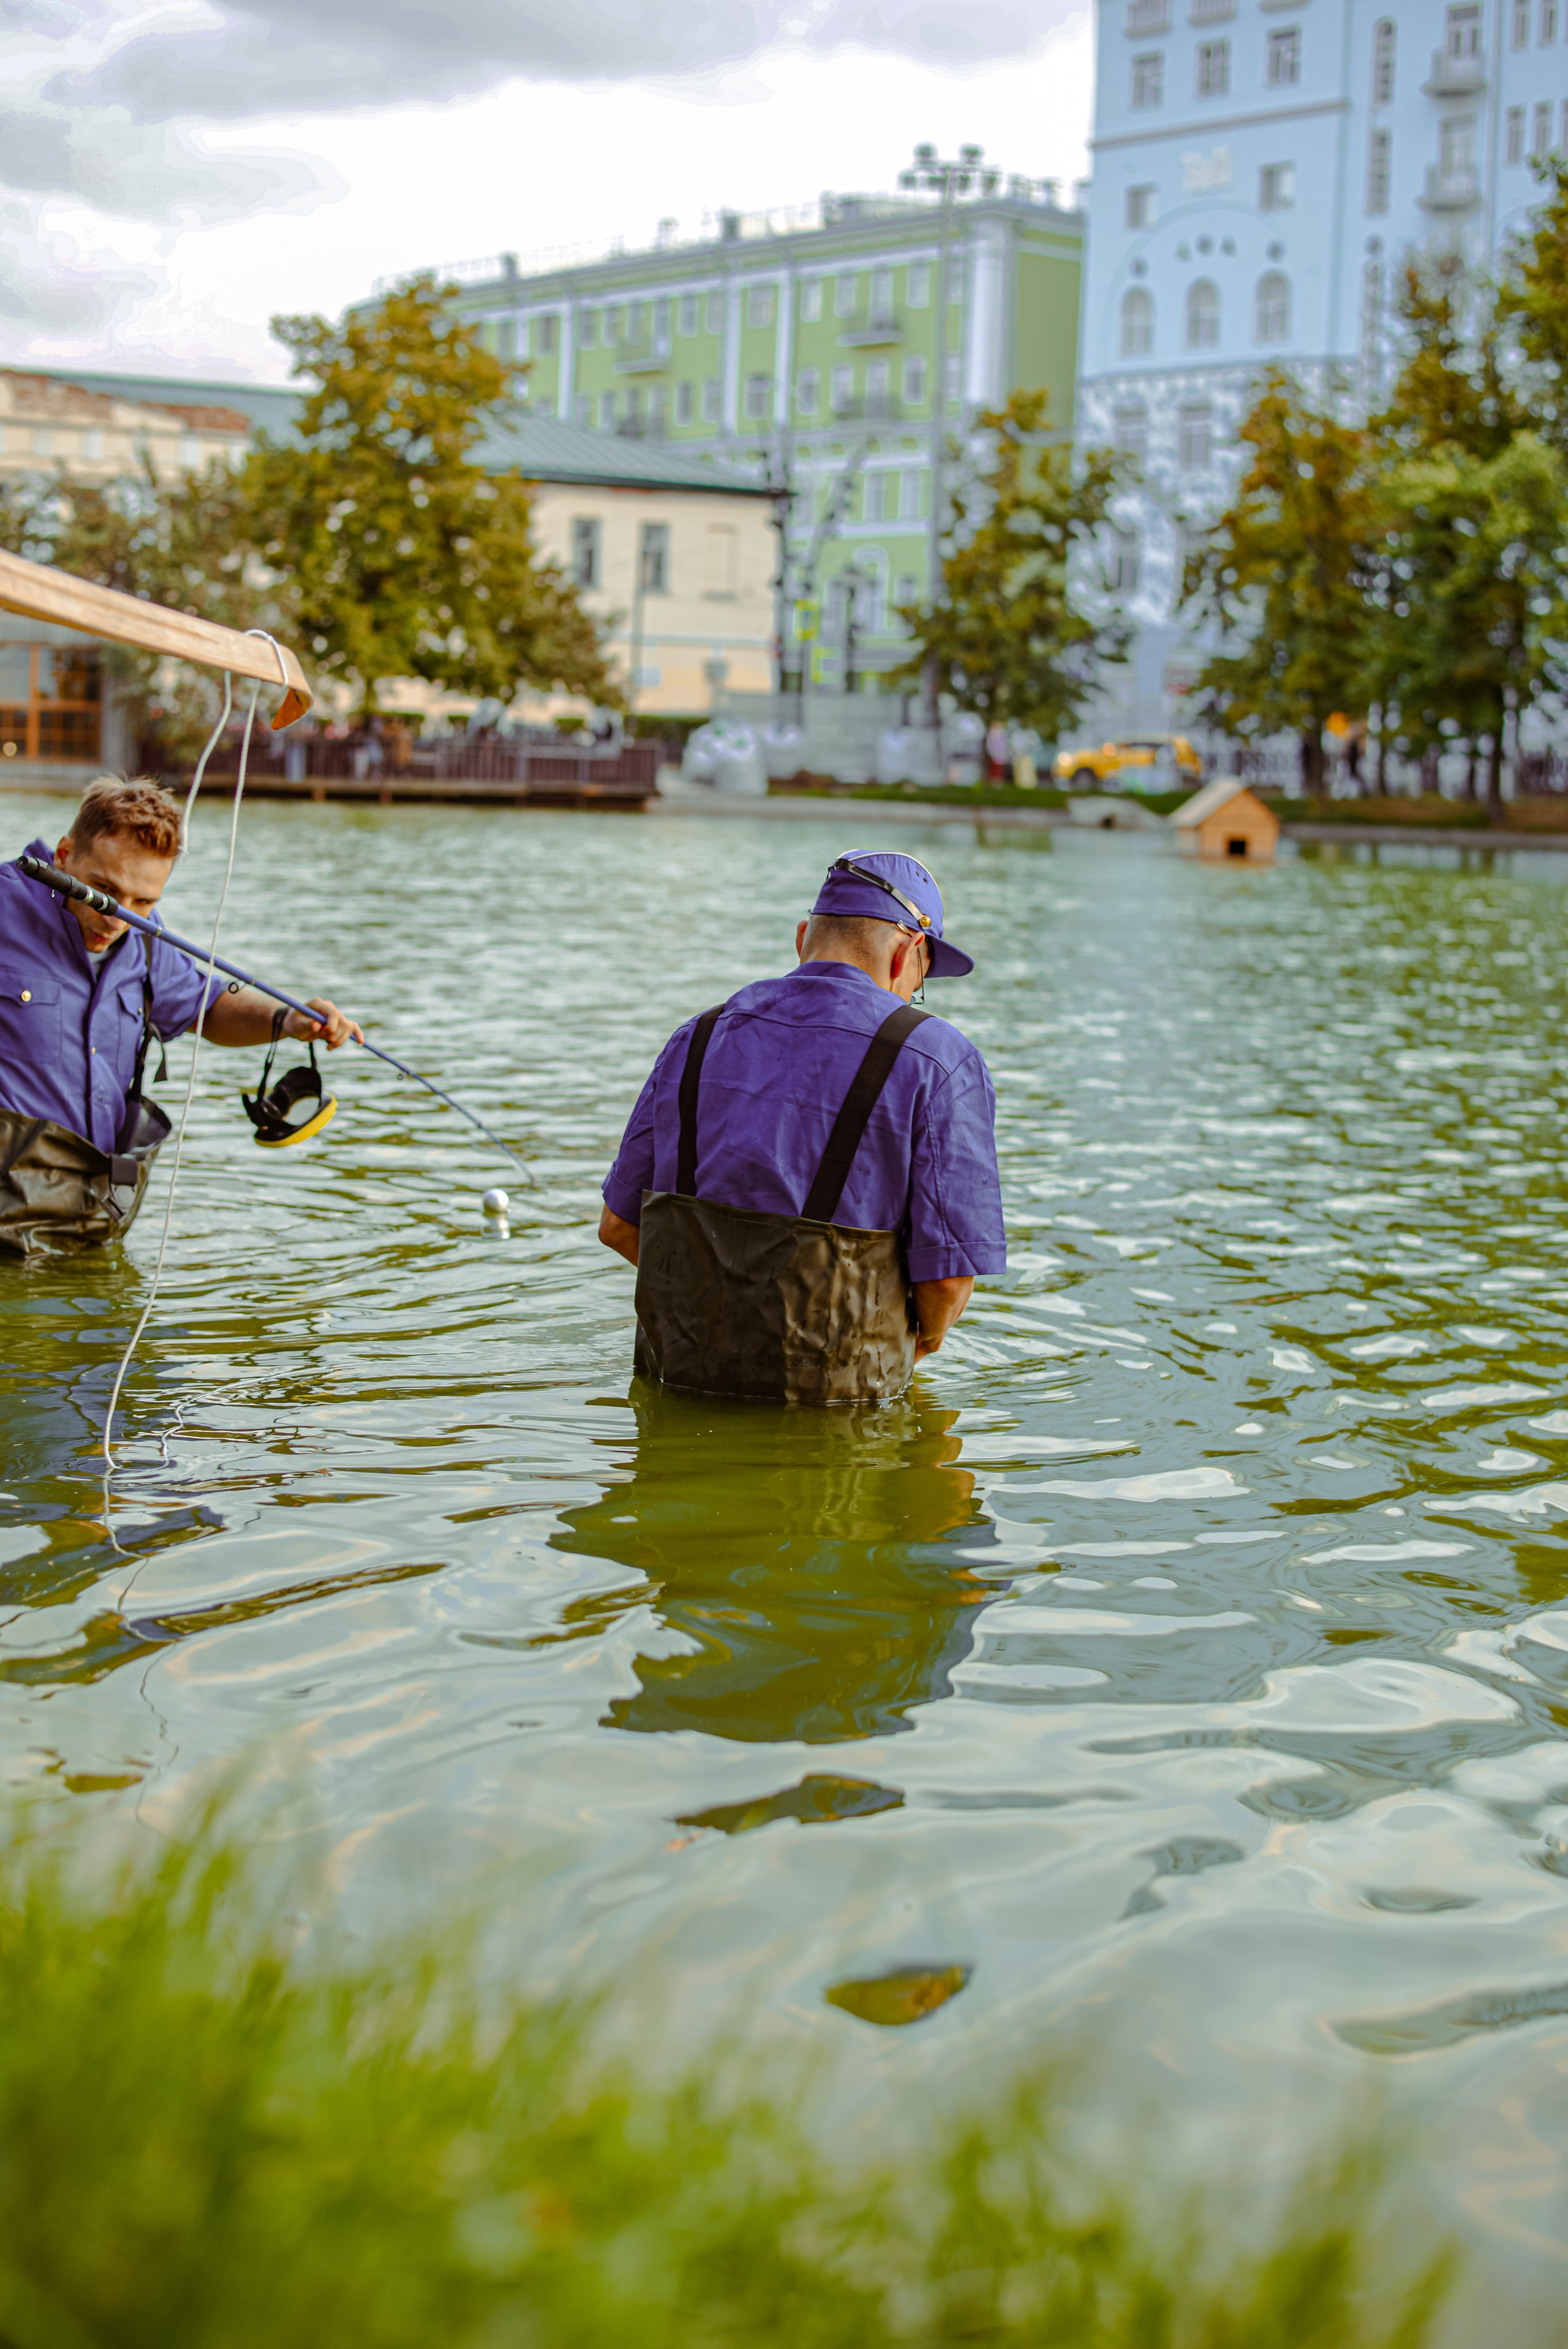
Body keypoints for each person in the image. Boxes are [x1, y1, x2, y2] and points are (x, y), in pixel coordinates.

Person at [598, 849, 1005, 1405]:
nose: (911, 998)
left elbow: (618, 1227)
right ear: (907, 953)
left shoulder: (695, 1036)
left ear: (802, 939)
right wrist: (908, 1341)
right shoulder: (939, 1060)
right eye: (921, 980)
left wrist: (731, 1300)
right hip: (840, 1407)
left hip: (679, 1378)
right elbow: (947, 1283)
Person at [0, 775, 361, 1256]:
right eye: (103, 890)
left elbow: (209, 1006)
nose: (117, 917)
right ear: (64, 855)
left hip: (89, 1222)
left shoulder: (147, 943)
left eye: (144, 901)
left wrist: (287, 1020)